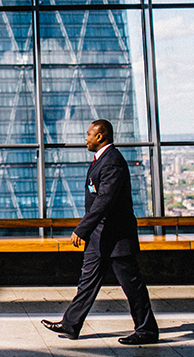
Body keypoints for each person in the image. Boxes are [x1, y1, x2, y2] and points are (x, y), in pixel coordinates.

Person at [41, 119, 158, 344]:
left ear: (100, 136)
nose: (85, 138)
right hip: (100, 238)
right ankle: (70, 324)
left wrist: (82, 229)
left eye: (88, 134)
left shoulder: (112, 162)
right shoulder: (101, 160)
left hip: (116, 238)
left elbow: (104, 201)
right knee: (87, 282)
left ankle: (147, 330)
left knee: (132, 285)